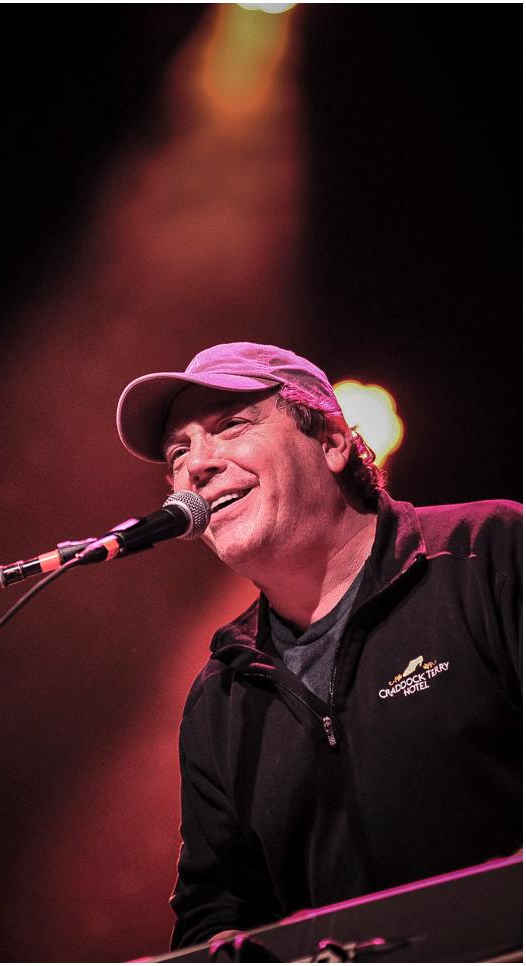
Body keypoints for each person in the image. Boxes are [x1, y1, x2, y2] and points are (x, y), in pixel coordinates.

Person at [115, 342, 522, 950]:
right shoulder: (221, 695)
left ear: (332, 442)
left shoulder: (490, 553)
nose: (196, 466)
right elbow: (217, 908)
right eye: (179, 453)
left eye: (231, 425)